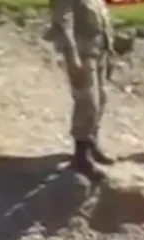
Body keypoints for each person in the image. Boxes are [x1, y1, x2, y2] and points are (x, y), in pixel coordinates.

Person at [50, 0, 115, 176]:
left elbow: (102, 19)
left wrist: (109, 50)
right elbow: (63, 23)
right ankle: (81, 154)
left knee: (101, 98)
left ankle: (92, 143)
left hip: (99, 50)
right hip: (82, 53)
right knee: (88, 102)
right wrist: (72, 56)